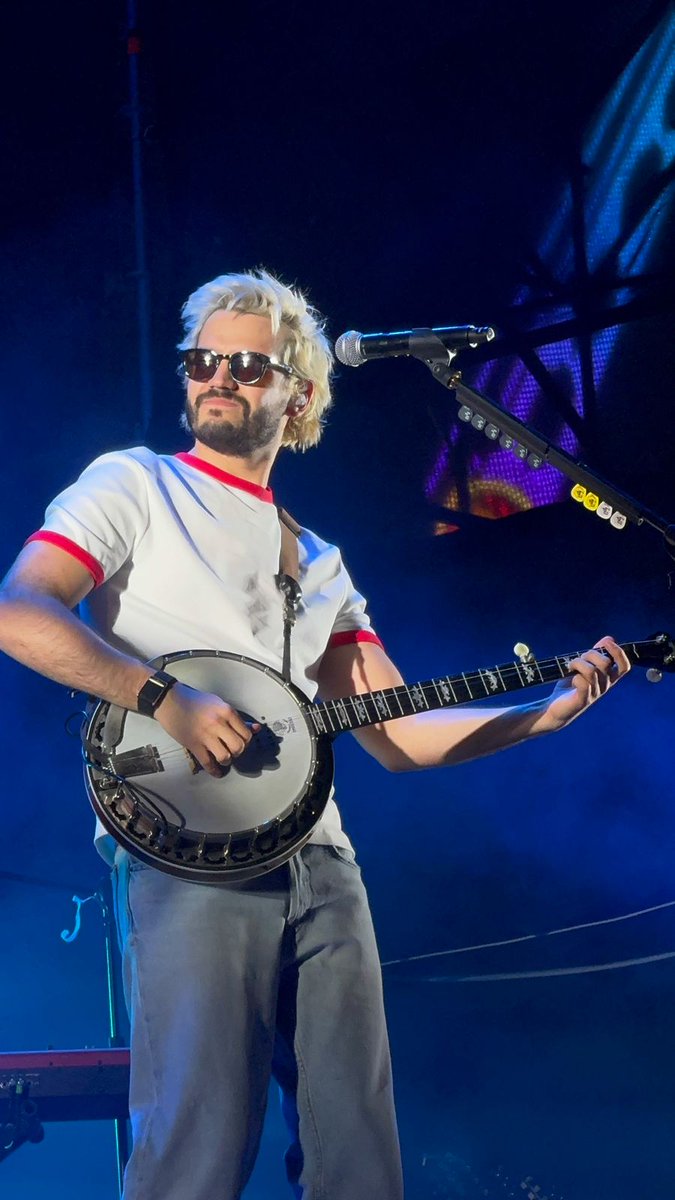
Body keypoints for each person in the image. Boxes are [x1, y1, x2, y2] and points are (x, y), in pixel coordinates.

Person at [0, 270, 630, 1200]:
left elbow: (398, 734)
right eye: (202, 360)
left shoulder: (322, 560)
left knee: (358, 1158)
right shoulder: (134, 483)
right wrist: (163, 697)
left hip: (324, 860)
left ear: (297, 395)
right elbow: (20, 611)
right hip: (190, 853)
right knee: (197, 1148)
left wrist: (542, 714)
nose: (218, 377)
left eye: (247, 365)